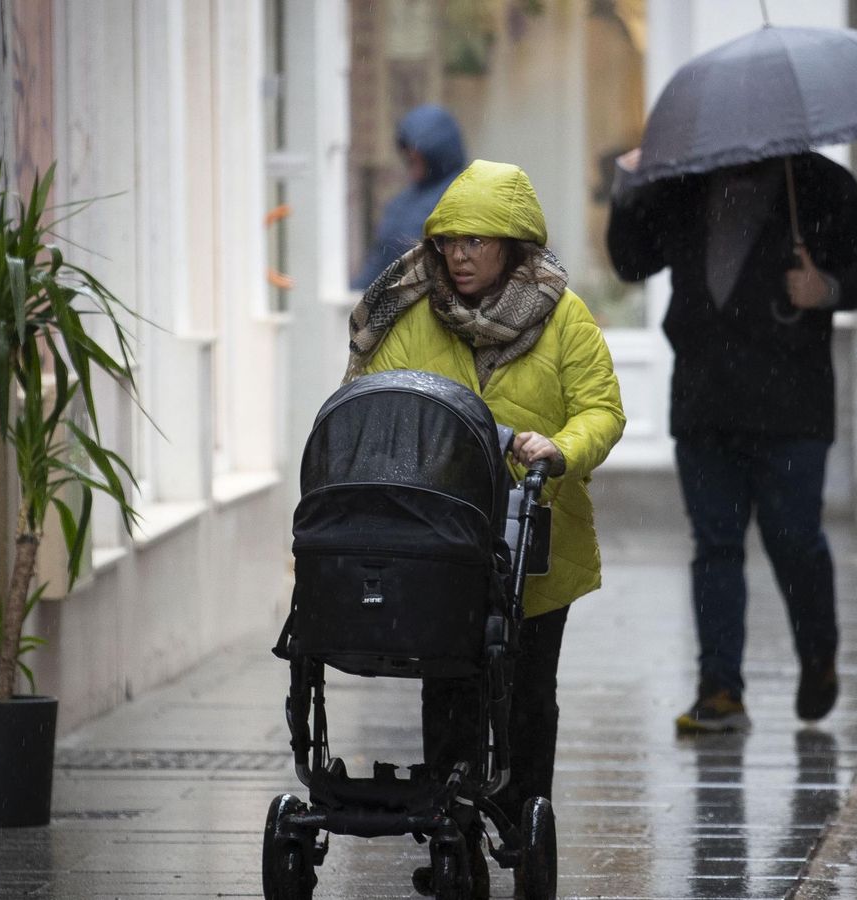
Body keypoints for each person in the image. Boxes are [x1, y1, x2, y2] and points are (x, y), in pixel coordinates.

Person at [345, 159, 625, 890]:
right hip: (442, 549)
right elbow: (371, 405)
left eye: (477, 241)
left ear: (514, 246)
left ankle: (526, 821)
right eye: (448, 242)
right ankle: (455, 839)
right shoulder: (411, 317)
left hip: (537, 543)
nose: (459, 256)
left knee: (529, 693)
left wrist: (558, 448)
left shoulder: (564, 316)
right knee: (451, 691)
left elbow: (602, 410)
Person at [605, 149, 857, 734]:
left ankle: (818, 656)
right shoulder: (683, 182)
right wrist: (628, 188)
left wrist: (826, 288)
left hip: (791, 406)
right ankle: (719, 688)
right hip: (705, 401)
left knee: (795, 543)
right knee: (715, 546)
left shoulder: (817, 184)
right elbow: (632, 261)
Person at [351, 104, 468, 290]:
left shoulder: (466, 198)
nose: (411, 164)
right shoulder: (403, 203)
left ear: (437, 154)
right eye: (409, 159)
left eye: (418, 158)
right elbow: (380, 263)